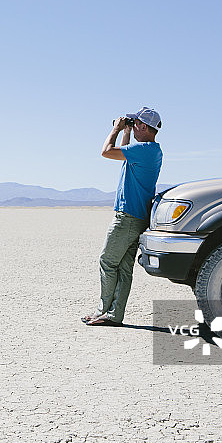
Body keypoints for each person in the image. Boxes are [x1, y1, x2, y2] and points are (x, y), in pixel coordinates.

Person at [83, 107, 163, 326]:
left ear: (144, 127)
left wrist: (116, 129)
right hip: (138, 216)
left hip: (126, 217)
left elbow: (107, 151)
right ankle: (114, 314)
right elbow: (125, 151)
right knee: (124, 267)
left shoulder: (143, 150)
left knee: (107, 261)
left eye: (136, 123)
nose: (133, 126)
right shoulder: (151, 151)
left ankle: (103, 311)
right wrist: (127, 131)